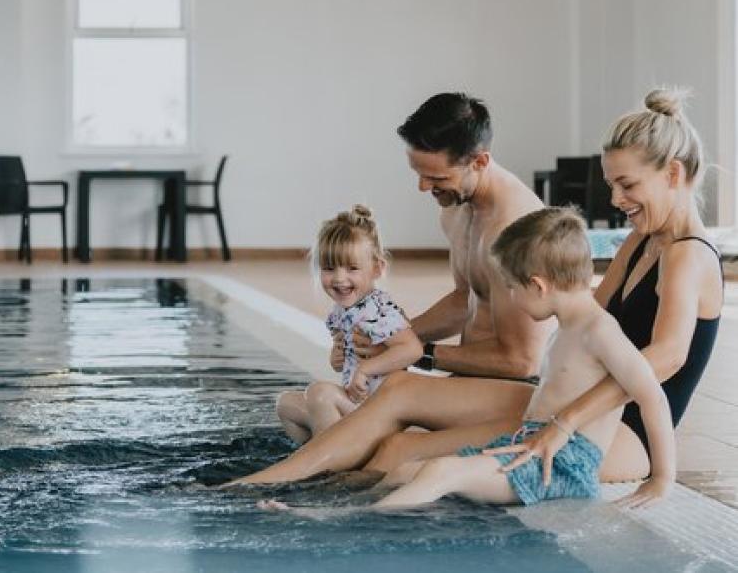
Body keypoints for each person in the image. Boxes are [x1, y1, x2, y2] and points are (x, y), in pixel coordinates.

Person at [229, 92, 554, 486]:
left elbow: (523, 362)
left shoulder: (518, 230)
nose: (422, 187)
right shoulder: (457, 211)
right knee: (301, 403)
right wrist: (393, 337)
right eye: (417, 172)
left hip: (517, 392)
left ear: (479, 161)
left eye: (436, 178)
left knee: (390, 417)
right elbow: (462, 299)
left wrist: (420, 355)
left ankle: (278, 486)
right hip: (468, 382)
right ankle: (298, 474)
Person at [261, 208, 676, 514]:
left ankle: (331, 517)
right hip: (525, 443)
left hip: (561, 465)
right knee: (408, 469)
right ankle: (352, 500)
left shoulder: (599, 331)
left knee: (441, 472)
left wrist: (661, 479)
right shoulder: (568, 328)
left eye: (512, 289)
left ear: (538, 285)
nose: (509, 299)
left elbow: (652, 396)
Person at [493, 88, 722, 487]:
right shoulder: (642, 240)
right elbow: (586, 315)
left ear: (673, 174)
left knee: (463, 466)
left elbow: (666, 358)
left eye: (627, 185)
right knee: (421, 433)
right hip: (582, 406)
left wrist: (566, 420)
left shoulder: (688, 256)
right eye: (611, 184)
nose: (616, 199)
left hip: (628, 433)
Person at [276, 205, 422, 444]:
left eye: (352, 268)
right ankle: (317, 451)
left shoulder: (377, 308)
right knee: (286, 404)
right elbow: (344, 363)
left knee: (320, 394)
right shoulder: (344, 310)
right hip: (359, 406)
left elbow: (412, 349)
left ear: (377, 268)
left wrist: (366, 369)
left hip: (383, 414)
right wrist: (338, 357)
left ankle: (327, 464)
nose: (339, 278)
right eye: (329, 268)